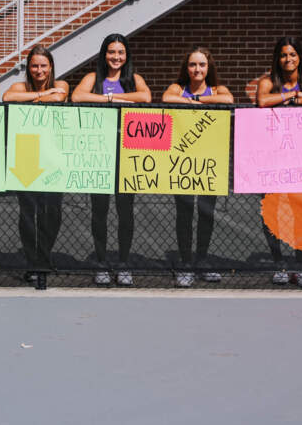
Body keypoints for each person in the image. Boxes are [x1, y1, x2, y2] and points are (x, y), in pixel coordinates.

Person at [72, 33, 151, 286]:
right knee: (99, 212)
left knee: (125, 212)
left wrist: (116, 98)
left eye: (120, 52)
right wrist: (110, 99)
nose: (116, 57)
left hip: (127, 154)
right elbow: (78, 97)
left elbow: (145, 97)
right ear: (104, 54)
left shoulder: (133, 79)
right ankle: (101, 262)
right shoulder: (93, 78)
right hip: (99, 153)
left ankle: (124, 263)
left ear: (126, 55)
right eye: (111, 52)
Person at [255, 36, 302, 288]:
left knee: (301, 213)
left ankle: (300, 266)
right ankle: (279, 265)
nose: (289, 59)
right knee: (271, 212)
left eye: (293, 54)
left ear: (300, 57)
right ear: (278, 58)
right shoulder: (268, 81)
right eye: (284, 55)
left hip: (301, 157)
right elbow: (262, 101)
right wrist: (292, 96)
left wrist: (297, 96)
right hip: (271, 156)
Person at [161, 46, 234, 287]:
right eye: (193, 64)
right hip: (182, 160)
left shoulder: (217, 89)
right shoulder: (177, 87)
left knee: (206, 212)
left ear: (208, 67)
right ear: (187, 67)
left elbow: (228, 99)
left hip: (209, 160)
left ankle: (201, 260)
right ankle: (185, 262)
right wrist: (195, 100)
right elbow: (166, 98)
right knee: (184, 212)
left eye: (202, 64)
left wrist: (195, 100)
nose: (197, 69)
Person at [3, 45, 70, 283]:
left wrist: (39, 97)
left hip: (53, 152)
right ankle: (34, 262)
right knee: (28, 212)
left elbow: (59, 96)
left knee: (52, 211)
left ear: (50, 67)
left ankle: (45, 253)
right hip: (27, 152)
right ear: (28, 68)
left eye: (43, 66)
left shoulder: (61, 84)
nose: (39, 70)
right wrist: (41, 95)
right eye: (34, 66)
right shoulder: (21, 86)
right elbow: (7, 97)